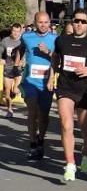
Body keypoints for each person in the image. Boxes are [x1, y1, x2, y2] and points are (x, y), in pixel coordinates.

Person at [49, 8, 87, 181]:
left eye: (83, 21)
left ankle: (86, 154)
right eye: (76, 21)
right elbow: (55, 57)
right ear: (72, 22)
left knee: (85, 129)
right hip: (65, 88)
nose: (79, 24)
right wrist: (51, 76)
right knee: (66, 124)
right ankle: (69, 164)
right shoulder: (62, 40)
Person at [19, 12, 57, 161]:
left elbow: (57, 60)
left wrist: (48, 52)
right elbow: (21, 49)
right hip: (30, 81)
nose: (43, 25)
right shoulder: (26, 37)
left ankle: (41, 138)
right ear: (35, 23)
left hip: (45, 81)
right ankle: (33, 144)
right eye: (40, 22)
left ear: (50, 23)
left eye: (46, 22)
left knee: (43, 115)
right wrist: (18, 62)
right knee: (32, 110)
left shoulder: (55, 39)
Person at [2, 22, 23, 118]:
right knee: (7, 93)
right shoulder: (5, 41)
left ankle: (15, 92)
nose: (15, 33)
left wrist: (24, 61)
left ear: (20, 32)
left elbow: (28, 53)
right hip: (8, 69)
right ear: (11, 31)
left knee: (15, 90)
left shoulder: (23, 41)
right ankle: (9, 109)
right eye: (14, 31)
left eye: (17, 31)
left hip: (18, 69)